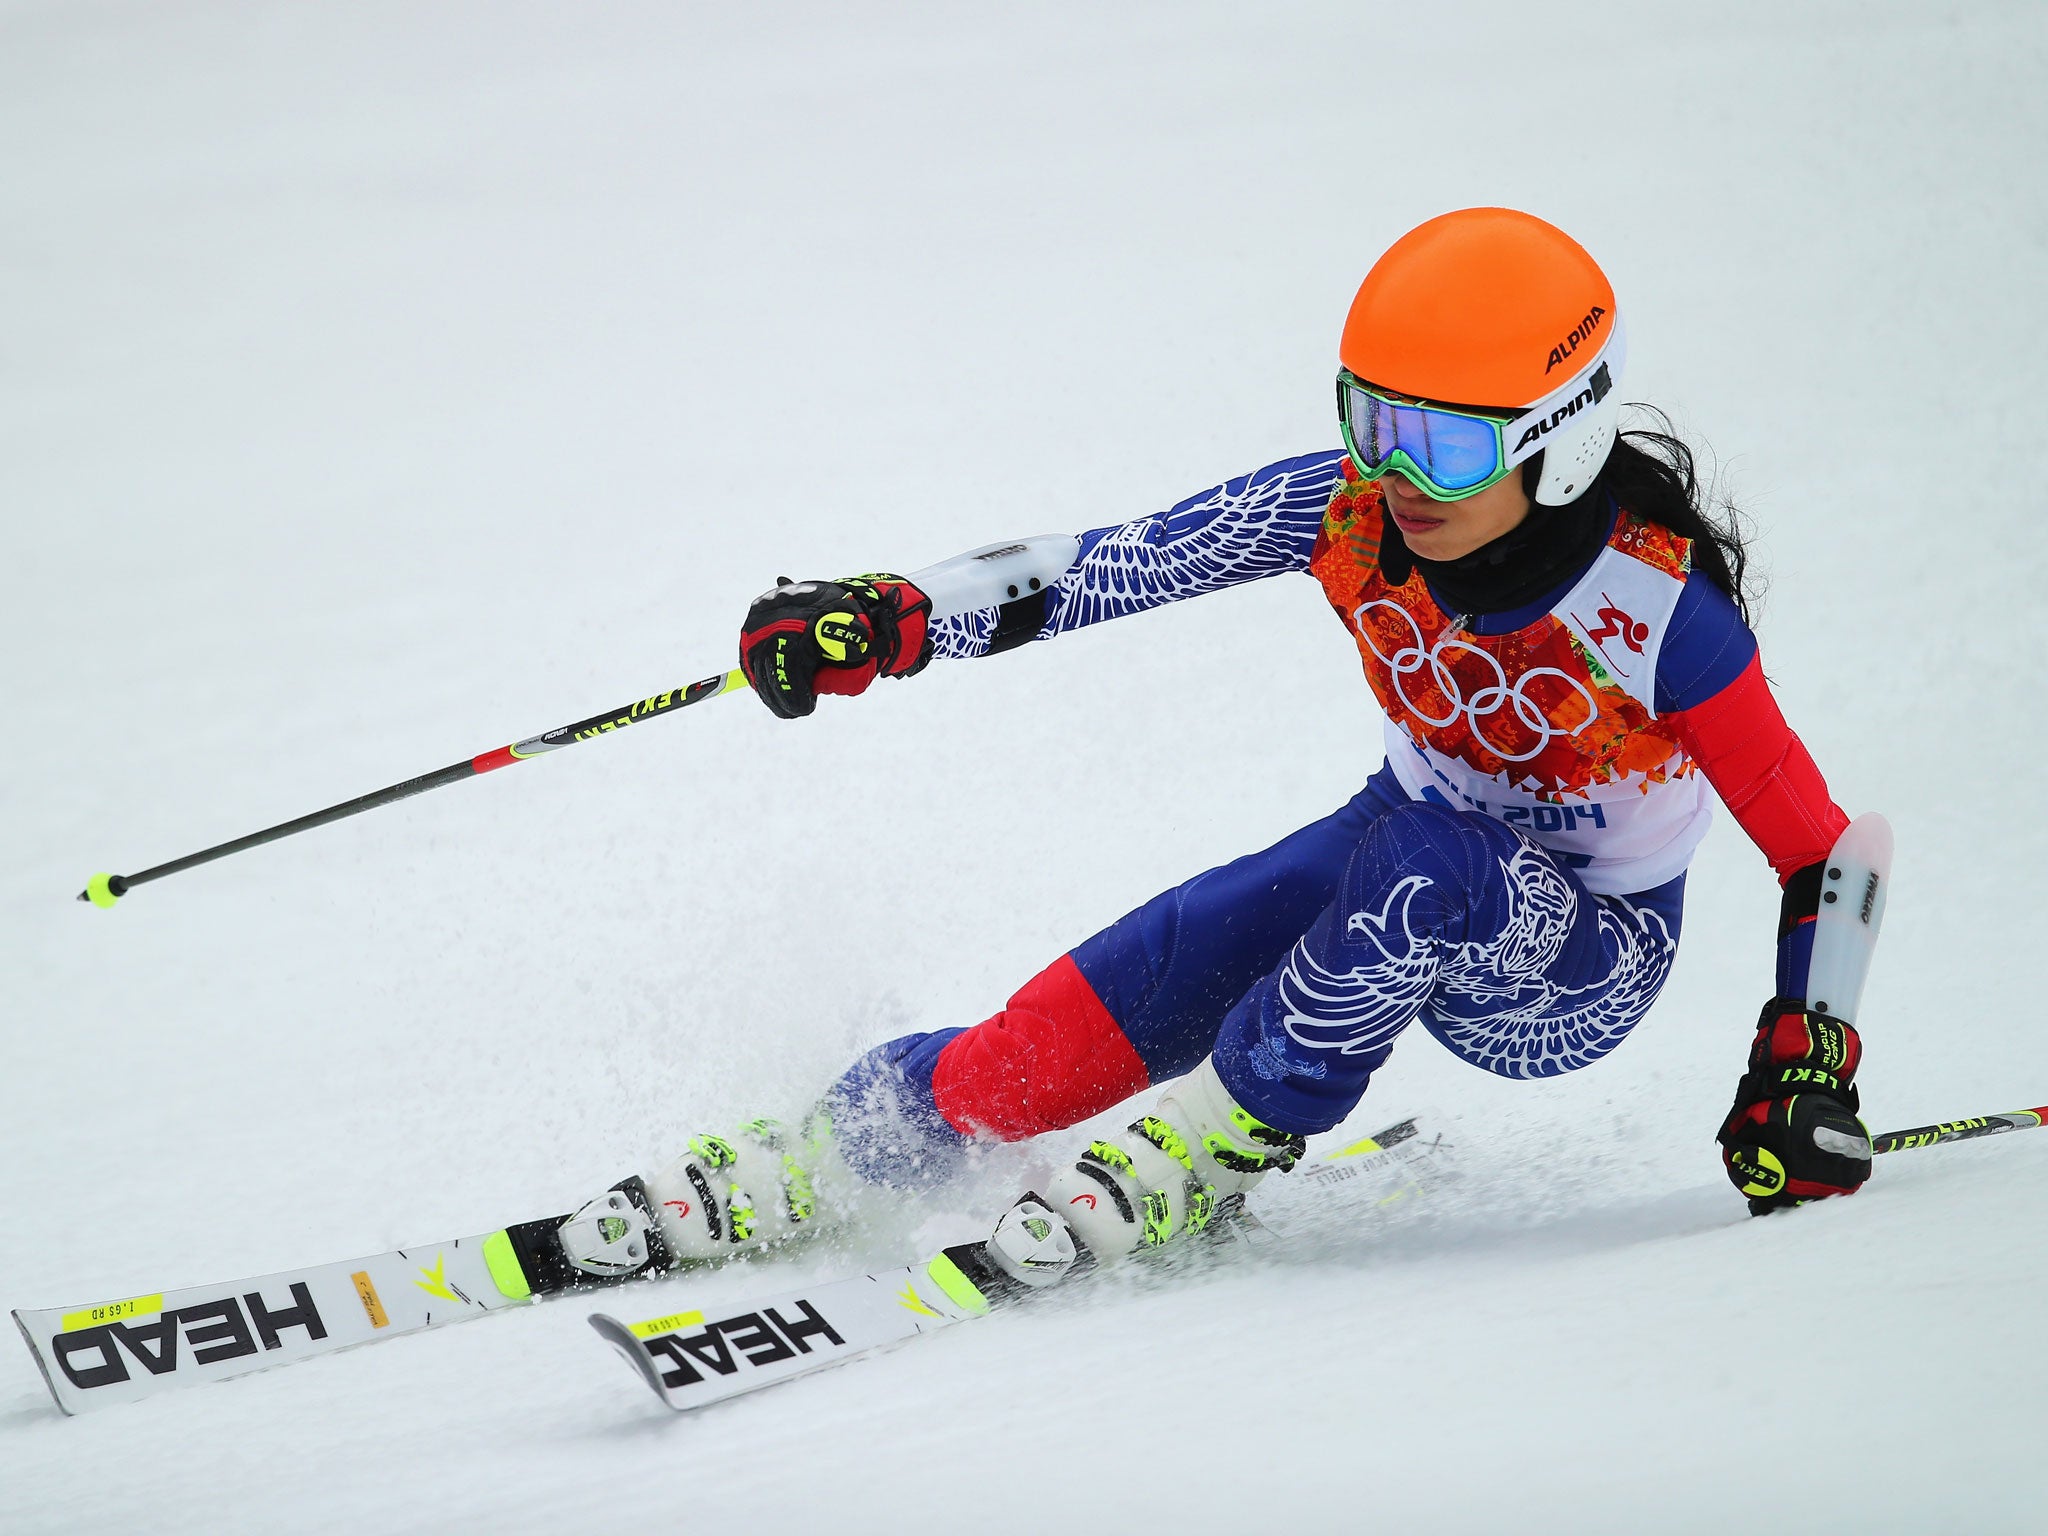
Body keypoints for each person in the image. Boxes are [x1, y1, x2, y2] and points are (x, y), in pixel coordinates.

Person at [539, 207, 1876, 1293]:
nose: (1401, 475)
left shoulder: (1658, 618)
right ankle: (847, 1145)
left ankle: (1219, 1143)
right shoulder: (1345, 511)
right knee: (1132, 983)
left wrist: (1806, 1060)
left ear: (1559, 437)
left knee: (1425, 854)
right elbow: (1104, 568)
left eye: (1447, 444)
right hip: (1393, 862)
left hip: (1573, 963)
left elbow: (1827, 852)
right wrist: (891, 620)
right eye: (1374, 419)